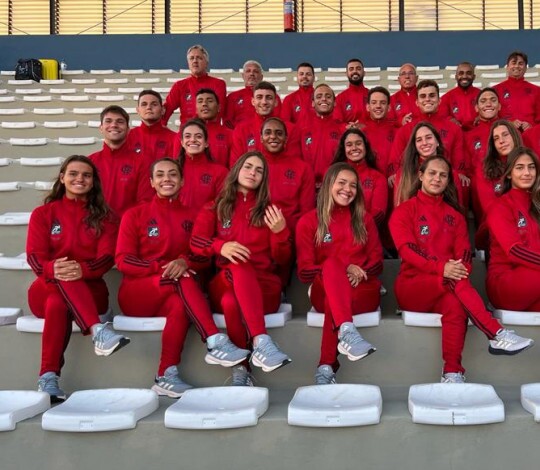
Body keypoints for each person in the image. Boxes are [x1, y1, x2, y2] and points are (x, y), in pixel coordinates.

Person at [389, 155, 534, 383]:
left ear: (448, 181)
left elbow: (465, 254)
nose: (437, 178)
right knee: (452, 280)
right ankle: (496, 333)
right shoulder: (404, 211)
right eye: (432, 173)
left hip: (448, 287)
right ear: (420, 176)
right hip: (412, 286)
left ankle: (452, 372)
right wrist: (441, 267)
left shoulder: (455, 216)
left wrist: (455, 268)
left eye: (443, 175)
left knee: (456, 305)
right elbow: (407, 250)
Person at [116, 158, 250, 397]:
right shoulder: (135, 214)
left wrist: (184, 262)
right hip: (138, 293)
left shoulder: (193, 215)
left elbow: (203, 257)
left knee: (180, 303)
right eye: (160, 175)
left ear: (182, 181)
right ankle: (213, 339)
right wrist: (162, 267)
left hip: (176, 293)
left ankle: (165, 375)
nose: (166, 179)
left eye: (173, 174)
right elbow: (123, 260)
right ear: (151, 182)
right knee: (181, 277)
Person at [27, 155, 130, 402]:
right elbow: (34, 258)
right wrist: (54, 269)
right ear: (62, 178)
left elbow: (106, 259)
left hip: (91, 291)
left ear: (94, 182)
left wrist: (81, 269)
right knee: (57, 289)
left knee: (58, 303)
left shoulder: (105, 218)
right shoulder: (43, 214)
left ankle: (48, 378)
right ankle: (97, 331)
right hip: (46, 285)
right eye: (73, 173)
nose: (79, 179)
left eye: (86, 175)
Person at [191, 152, 292, 384]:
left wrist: (280, 232)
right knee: (238, 264)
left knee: (231, 302)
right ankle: (261, 341)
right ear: (237, 170)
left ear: (264, 178)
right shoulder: (216, 207)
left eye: (259, 170)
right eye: (248, 167)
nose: (252, 173)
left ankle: (241, 371)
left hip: (264, 288)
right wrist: (221, 246)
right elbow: (195, 242)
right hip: (224, 279)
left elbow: (283, 258)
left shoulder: (270, 211)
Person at [296, 162, 382, 384]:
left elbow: (377, 263)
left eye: (353, 185)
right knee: (332, 265)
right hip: (323, 288)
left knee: (333, 304)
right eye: (342, 183)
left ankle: (326, 368)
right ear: (328, 185)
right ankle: (346, 332)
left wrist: (360, 271)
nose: (348, 189)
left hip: (362, 290)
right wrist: (344, 269)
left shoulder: (365, 220)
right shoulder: (309, 221)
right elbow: (305, 272)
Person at [486, 147, 540, 312]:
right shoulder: (500, 206)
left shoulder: (537, 204)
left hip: (532, 279)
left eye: (531, 167)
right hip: (504, 282)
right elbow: (514, 251)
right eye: (520, 167)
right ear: (509, 174)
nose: (527, 173)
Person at [389, 80, 469, 188]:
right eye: (423, 96)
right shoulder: (404, 130)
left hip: (444, 182)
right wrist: (393, 174)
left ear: (439, 100)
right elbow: (396, 159)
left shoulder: (454, 129)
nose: (427, 99)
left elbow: (459, 158)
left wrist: (461, 173)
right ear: (417, 102)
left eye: (432, 95)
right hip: (412, 182)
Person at [89, 105, 153, 217]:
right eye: (108, 121)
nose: (114, 125)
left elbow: (144, 202)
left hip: (126, 230)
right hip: (94, 228)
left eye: (120, 122)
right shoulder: (90, 162)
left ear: (128, 130)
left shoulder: (142, 162)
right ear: (101, 128)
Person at [260, 117, 315, 233]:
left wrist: (285, 230)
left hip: (289, 234)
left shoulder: (303, 169)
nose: (273, 136)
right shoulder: (251, 165)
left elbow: (306, 212)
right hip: (256, 233)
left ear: (286, 139)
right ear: (261, 138)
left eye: (279, 133)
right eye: (268, 132)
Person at [393, 122, 465, 207]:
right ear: (415, 146)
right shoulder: (403, 174)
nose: (424, 143)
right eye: (419, 140)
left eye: (429, 138)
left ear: (437, 142)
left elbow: (457, 209)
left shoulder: (451, 173)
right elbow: (398, 209)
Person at [230, 81, 301, 164]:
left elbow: (294, 163)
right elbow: (235, 164)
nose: (264, 102)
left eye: (269, 97)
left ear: (276, 102)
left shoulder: (291, 129)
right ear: (253, 101)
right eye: (259, 97)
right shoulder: (241, 129)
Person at [332, 128, 388, 227]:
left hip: (364, 232)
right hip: (335, 230)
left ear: (365, 147)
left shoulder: (378, 177)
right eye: (349, 145)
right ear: (343, 149)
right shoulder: (333, 174)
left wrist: (355, 228)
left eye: (358, 143)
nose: (354, 148)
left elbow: (379, 213)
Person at [472, 119, 522, 224]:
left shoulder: (529, 161)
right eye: (496, 138)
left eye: (505, 135)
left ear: (514, 136)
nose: (501, 141)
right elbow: (489, 207)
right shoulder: (484, 169)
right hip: (498, 224)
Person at [162, 45, 227, 125]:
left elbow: (220, 111)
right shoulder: (179, 86)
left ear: (206, 63)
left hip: (211, 132)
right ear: (188, 63)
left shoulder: (218, 84)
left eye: (199, 58)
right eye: (191, 58)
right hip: (186, 134)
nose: (195, 61)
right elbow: (166, 110)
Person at [300, 83, 346, 188]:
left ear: (334, 103)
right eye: (319, 96)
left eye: (328, 96)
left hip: (334, 186)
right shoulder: (302, 130)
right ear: (313, 103)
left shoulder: (343, 130)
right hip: (307, 186)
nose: (324, 99)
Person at [176, 118, 228, 212]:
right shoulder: (173, 170)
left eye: (198, 136)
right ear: (182, 142)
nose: (193, 140)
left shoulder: (220, 172)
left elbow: (222, 204)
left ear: (206, 143)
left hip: (206, 224)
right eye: (187, 136)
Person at [173, 88, 232, 168]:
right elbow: (177, 164)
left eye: (210, 101)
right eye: (200, 101)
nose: (204, 104)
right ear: (196, 109)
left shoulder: (230, 134)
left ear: (219, 107)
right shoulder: (183, 134)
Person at [225, 60, 282, 129]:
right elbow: (228, 122)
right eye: (248, 71)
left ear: (261, 77)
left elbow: (278, 119)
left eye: (256, 71)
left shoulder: (273, 97)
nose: (252, 73)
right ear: (243, 76)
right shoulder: (232, 97)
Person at [494, 51, 540, 132]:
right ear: (507, 67)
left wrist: (531, 125)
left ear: (525, 68)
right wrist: (508, 124)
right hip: (505, 135)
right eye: (514, 63)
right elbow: (492, 117)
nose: (517, 66)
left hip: (530, 135)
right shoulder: (495, 90)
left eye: (520, 63)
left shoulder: (537, 91)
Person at [128, 90, 176, 161]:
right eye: (144, 104)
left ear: (163, 110)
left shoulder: (174, 138)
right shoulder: (128, 137)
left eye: (154, 104)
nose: (149, 107)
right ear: (138, 110)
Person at [363, 86, 398, 175]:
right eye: (374, 103)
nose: (378, 106)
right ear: (368, 107)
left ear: (389, 107)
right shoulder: (360, 133)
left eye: (382, 103)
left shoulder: (398, 132)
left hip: (392, 183)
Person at [464, 87, 501, 171]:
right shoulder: (468, 136)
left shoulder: (511, 132)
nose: (488, 104)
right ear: (476, 108)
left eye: (493, 100)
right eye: (483, 101)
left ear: (499, 106)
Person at [439, 62, 480, 130]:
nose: (464, 76)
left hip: (477, 133)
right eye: (461, 73)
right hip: (456, 134)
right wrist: (450, 119)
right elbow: (442, 116)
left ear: (474, 77)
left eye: (468, 73)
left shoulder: (482, 95)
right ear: (456, 77)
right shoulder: (446, 98)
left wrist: (482, 117)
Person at [335, 58, 369, 126]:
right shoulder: (340, 98)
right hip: (348, 135)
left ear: (364, 73)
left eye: (358, 69)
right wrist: (348, 127)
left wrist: (364, 126)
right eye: (351, 69)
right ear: (346, 74)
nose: (355, 71)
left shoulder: (372, 95)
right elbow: (337, 122)